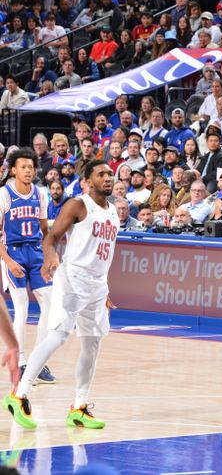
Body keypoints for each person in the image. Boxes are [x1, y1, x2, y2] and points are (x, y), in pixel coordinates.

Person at [4, 161, 120, 430]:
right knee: (57, 336)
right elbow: (51, 237)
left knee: (93, 344)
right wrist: (50, 257)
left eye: (109, 174)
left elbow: (104, 255)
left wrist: (105, 288)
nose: (107, 178)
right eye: (101, 174)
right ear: (88, 180)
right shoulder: (78, 205)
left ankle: (78, 407)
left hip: (97, 286)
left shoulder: (113, 211)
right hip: (72, 279)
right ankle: (19, 394)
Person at [0, 149, 56, 386]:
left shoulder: (40, 193)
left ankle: (38, 361)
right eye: (23, 167)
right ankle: (21, 362)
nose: (28, 171)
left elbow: (45, 230)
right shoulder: (4, 194)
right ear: (13, 170)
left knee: (50, 305)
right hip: (12, 252)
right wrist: (9, 262)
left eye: (31, 167)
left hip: (35, 252)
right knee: (21, 307)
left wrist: (51, 254)